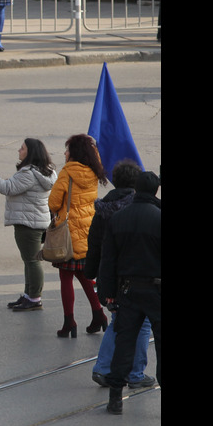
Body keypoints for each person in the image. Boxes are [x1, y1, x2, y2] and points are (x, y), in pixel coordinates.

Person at [85, 160, 155, 389]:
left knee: (118, 323)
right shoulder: (137, 210)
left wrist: (91, 272)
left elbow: (94, 245)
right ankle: (135, 373)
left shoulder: (103, 208)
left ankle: (103, 367)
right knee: (141, 325)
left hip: (110, 275)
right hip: (132, 275)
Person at [99, 171, 160, 415]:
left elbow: (108, 260)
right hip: (156, 290)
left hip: (128, 290)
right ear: (155, 191)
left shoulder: (118, 217)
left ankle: (115, 398)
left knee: (124, 343)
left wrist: (107, 293)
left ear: (136, 189)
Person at [0, 138, 57, 310]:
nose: (19, 151)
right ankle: (29, 295)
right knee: (29, 260)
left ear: (31, 153)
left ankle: (34, 298)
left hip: (28, 223)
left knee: (32, 260)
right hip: (35, 220)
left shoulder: (29, 173)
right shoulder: (45, 172)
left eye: (22, 149)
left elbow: (6, 187)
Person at [47, 134, 109, 338]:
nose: (65, 153)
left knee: (65, 277)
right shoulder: (94, 170)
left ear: (74, 153)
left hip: (69, 232)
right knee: (84, 274)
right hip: (88, 229)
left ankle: (69, 322)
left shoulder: (67, 172)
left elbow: (54, 203)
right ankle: (98, 314)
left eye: (67, 150)